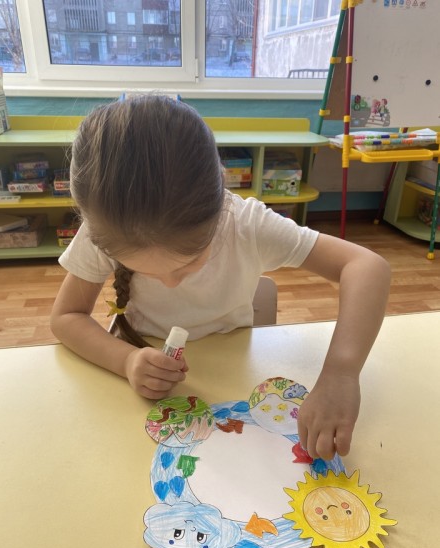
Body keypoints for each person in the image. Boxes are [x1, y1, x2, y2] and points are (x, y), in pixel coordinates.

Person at [50, 95, 391, 461]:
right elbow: (66, 317)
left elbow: (366, 266)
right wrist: (126, 361)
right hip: (141, 387)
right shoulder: (103, 228)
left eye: (187, 264)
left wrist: (341, 374)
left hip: (234, 379)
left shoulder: (245, 224)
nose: (171, 284)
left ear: (217, 213)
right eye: (147, 272)